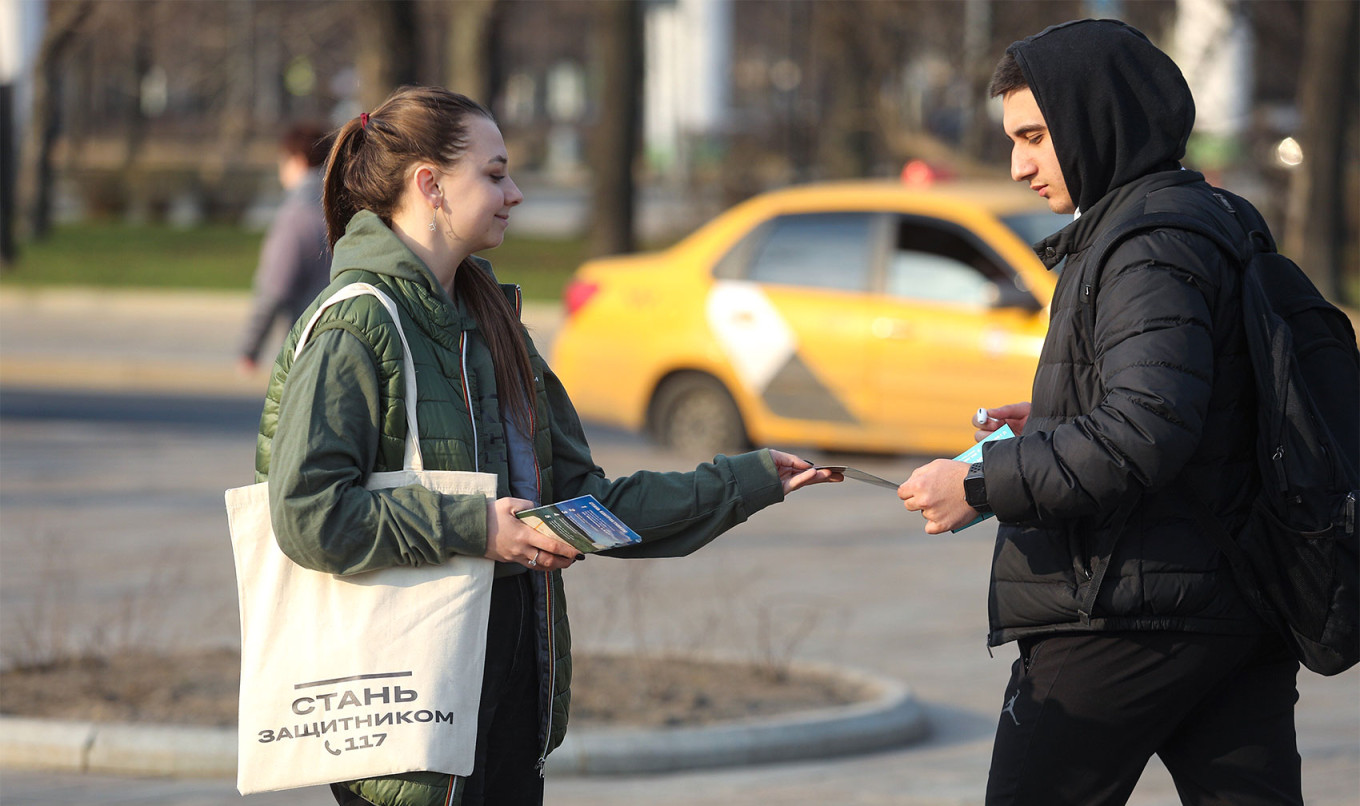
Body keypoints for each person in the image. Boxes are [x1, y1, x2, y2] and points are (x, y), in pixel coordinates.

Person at [254, 85, 840, 806]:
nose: (517, 193)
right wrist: (478, 527)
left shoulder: (496, 323)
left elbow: (584, 505)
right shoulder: (355, 328)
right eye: (495, 174)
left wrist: (745, 482)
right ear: (430, 185)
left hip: (511, 700)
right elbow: (307, 516)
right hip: (403, 716)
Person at [897, 19, 1303, 805]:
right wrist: (1058, 411)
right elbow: (1202, 401)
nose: (1019, 166)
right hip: (1230, 599)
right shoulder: (1205, 218)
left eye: (1036, 136)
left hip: (1125, 610)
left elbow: (1144, 432)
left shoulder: (1146, 243)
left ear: (1096, 118)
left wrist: (979, 484)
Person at [236, 121, 332, 374]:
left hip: (309, 346)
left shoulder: (296, 216)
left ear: (297, 161)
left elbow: (273, 289)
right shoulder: (347, 208)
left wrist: (250, 350)